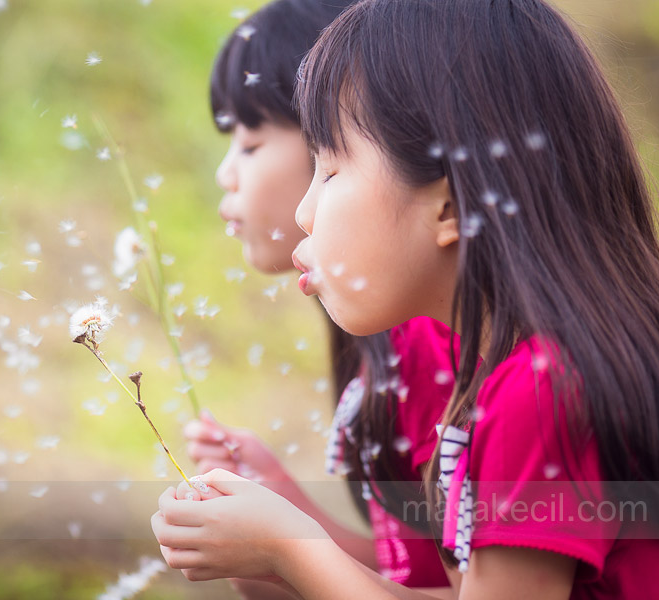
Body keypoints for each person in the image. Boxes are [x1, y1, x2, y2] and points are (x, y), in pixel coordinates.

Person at [153, 0, 659, 598]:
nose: (304, 210)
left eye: (331, 168)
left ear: (448, 206)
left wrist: (289, 545)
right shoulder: (514, 379)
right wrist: (276, 546)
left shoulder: (538, 390)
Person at [180, 0, 455, 596]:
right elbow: (410, 573)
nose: (225, 174)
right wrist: (279, 516)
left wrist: (284, 543)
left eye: (250, 144)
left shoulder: (428, 341)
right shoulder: (383, 335)